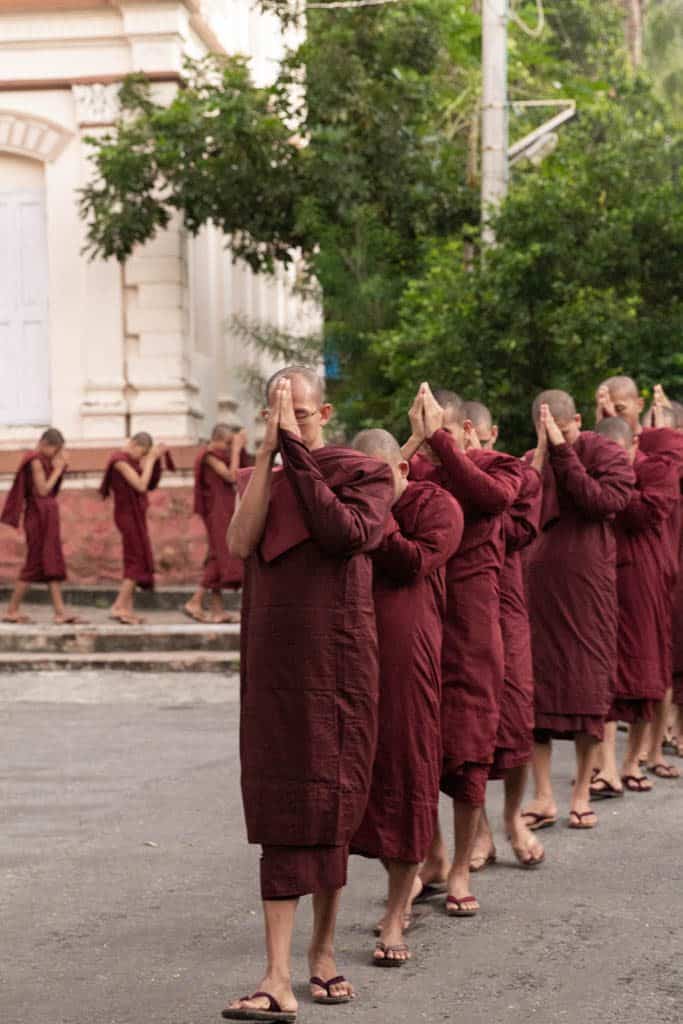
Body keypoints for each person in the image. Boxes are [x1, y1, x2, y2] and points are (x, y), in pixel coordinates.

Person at [222, 368, 395, 1022]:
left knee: (332, 803)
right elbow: (240, 542)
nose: (291, 421)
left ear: (322, 410)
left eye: (298, 412)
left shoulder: (361, 473)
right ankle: (275, 976)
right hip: (274, 665)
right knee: (280, 806)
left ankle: (321, 955)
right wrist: (269, 452)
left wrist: (294, 451)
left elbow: (343, 533)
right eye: (278, 413)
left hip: (338, 660)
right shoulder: (259, 475)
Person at [402, 383, 523, 917]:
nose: (435, 449)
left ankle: (457, 872)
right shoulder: (422, 467)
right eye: (430, 441)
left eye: (443, 435)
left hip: (475, 627)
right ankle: (431, 858)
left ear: (467, 432)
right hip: (423, 620)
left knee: (472, 744)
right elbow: (378, 485)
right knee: (419, 746)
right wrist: (413, 443)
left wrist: (443, 446)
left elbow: (490, 499)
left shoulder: (501, 468)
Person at [350, 428, 463, 966]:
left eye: (381, 475)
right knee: (357, 780)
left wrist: (379, 510)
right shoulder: (346, 509)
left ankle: (396, 915)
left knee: (407, 773)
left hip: (408, 655)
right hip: (351, 653)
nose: (371, 487)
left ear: (403, 468)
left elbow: (414, 562)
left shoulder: (436, 506)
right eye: (362, 478)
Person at [522, 392, 634, 832]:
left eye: (566, 430)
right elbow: (521, 505)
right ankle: (544, 795)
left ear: (579, 422)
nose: (557, 438)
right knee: (537, 694)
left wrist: (565, 451)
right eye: (550, 431)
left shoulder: (603, 451)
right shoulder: (534, 456)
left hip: (588, 588)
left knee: (590, 692)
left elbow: (602, 501)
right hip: (540, 588)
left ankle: (582, 793)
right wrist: (542, 454)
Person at [461, 403, 545, 870]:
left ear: (488, 432)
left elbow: (513, 531)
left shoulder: (519, 475)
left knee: (515, 720)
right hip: (459, 611)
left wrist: (477, 475)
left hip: (506, 604)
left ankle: (513, 817)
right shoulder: (442, 477)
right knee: (466, 727)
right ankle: (481, 833)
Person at [596, 377, 683, 780]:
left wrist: (623, 466)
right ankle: (607, 766)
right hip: (602, 570)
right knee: (604, 668)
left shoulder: (658, 457)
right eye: (608, 407)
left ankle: (636, 759)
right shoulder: (594, 450)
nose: (615, 414)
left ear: (637, 404)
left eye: (622, 407)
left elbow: (643, 511)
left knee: (650, 664)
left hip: (649, 569)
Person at [1, 428, 85, 624]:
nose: (56, 455)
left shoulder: (43, 460)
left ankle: (59, 612)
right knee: (34, 563)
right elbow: (43, 490)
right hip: (38, 518)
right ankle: (12, 610)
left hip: (46, 517)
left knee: (51, 563)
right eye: (55, 450)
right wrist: (58, 468)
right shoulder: (35, 460)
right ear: (46, 444)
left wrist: (59, 467)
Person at [99, 433, 173, 625]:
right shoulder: (119, 461)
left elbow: (149, 483)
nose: (140, 458)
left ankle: (127, 609)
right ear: (134, 444)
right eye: (141, 453)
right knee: (136, 560)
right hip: (126, 516)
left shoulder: (131, 460)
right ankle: (118, 606)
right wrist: (149, 461)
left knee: (134, 557)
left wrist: (153, 460)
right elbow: (140, 485)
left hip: (135, 515)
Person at [184, 424, 250, 624]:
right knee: (221, 555)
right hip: (217, 511)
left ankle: (217, 609)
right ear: (220, 439)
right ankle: (194, 601)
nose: (230, 448)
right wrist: (237, 449)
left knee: (216, 554)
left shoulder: (218, 454)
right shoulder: (210, 455)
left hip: (225, 509)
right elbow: (232, 476)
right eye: (229, 443)